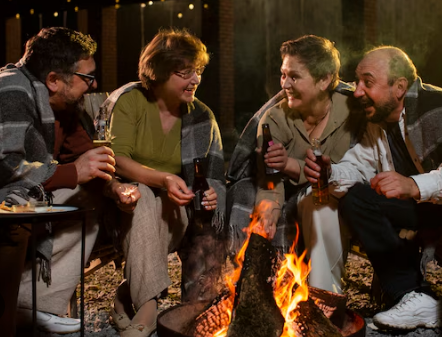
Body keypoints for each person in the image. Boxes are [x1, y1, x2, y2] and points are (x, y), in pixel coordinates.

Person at [304, 46, 442, 337]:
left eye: (367, 82)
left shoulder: (436, 105)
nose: (358, 92)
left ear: (399, 88)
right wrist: (329, 172)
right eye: (358, 82)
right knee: (356, 198)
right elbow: (358, 165)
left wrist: (412, 185)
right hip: (434, 208)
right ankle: (412, 295)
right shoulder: (379, 122)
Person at [0, 27, 140, 336]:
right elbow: (5, 165)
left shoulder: (61, 104)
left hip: (27, 195)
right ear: (53, 79)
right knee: (20, 209)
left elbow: (84, 151)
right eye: (87, 78)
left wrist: (114, 186)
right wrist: (71, 173)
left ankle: (34, 306)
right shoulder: (11, 92)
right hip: (6, 199)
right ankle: (17, 312)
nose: (94, 85)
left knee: (92, 196)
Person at [101, 28, 226, 337]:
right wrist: (164, 178)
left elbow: (213, 177)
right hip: (122, 208)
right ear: (158, 72)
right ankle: (149, 306)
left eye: (197, 71)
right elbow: (117, 158)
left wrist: (211, 195)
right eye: (185, 72)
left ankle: (127, 296)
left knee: (160, 201)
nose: (195, 79)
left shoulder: (201, 117)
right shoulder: (131, 102)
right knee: (141, 192)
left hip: (176, 215)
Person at [231, 34, 364, 293]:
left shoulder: (353, 112)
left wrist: (291, 164)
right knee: (312, 202)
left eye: (294, 76)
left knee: (321, 201)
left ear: (324, 79)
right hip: (301, 196)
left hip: (346, 192)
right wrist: (268, 213)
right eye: (283, 75)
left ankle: (326, 295)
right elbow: (270, 181)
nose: (285, 84)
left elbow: (345, 168)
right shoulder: (274, 118)